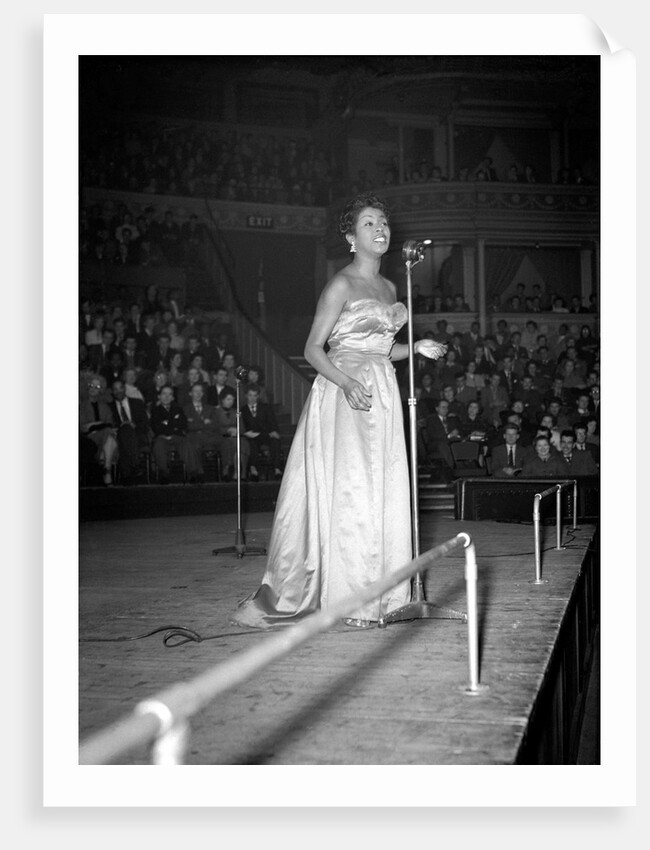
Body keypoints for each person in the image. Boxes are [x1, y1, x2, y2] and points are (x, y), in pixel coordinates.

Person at [231, 194, 447, 630]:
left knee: (379, 489)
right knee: (351, 491)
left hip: (382, 391)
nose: (380, 229)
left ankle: (383, 593)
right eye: (369, 224)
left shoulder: (390, 288)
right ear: (351, 238)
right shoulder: (341, 285)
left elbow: (382, 349)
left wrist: (416, 347)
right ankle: (350, 597)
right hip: (344, 389)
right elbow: (312, 349)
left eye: (383, 222)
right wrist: (347, 383)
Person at [149, 384, 200, 484]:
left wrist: (167, 423)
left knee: (187, 444)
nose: (167, 396)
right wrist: (174, 423)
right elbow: (156, 427)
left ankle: (193, 474)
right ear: (159, 396)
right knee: (159, 445)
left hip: (177, 436)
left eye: (169, 394)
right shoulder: (155, 410)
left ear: (172, 397)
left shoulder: (178, 409)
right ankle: (164, 473)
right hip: (162, 437)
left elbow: (183, 424)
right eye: (164, 394)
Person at [109, 379, 150, 485]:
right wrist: (122, 427)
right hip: (118, 436)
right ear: (112, 392)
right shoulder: (109, 407)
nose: (118, 391)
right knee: (125, 430)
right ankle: (135, 465)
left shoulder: (137, 403)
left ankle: (127, 472)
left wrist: (134, 425)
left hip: (137, 435)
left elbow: (145, 423)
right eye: (115, 389)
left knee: (127, 432)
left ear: (125, 389)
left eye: (120, 388)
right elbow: (109, 424)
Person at [79, 376, 119, 486]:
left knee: (109, 436)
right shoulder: (82, 406)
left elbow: (110, 423)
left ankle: (106, 470)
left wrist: (94, 424)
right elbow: (84, 427)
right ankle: (107, 472)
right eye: (91, 386)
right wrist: (99, 424)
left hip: (104, 435)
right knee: (109, 435)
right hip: (89, 438)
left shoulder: (105, 406)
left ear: (101, 390)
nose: (93, 389)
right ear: (87, 387)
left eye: (97, 386)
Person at [240, 385, 283, 481]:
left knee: (275, 441)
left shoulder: (265, 408)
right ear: (246, 395)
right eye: (250, 395)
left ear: (258, 396)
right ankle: (253, 468)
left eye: (255, 395)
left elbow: (272, 423)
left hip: (266, 435)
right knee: (252, 443)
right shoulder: (242, 410)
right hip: (252, 437)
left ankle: (277, 469)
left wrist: (273, 432)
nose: (252, 398)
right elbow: (245, 428)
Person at [213, 386, 250, 481]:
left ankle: (241, 472)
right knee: (232, 443)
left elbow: (243, 428)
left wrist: (237, 430)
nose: (230, 402)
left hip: (237, 437)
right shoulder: (216, 412)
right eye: (228, 399)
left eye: (232, 400)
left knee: (241, 443)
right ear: (222, 400)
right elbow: (215, 428)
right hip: (222, 438)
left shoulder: (236, 412)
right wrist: (228, 430)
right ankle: (228, 469)